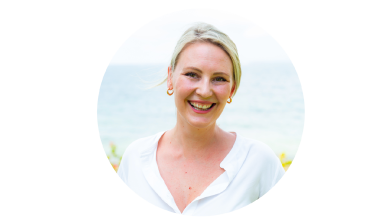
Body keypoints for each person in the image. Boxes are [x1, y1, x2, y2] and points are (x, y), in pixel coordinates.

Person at [116, 23, 285, 222]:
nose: (204, 91)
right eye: (192, 74)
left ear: (232, 90)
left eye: (219, 78)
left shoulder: (260, 163)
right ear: (170, 78)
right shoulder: (136, 159)